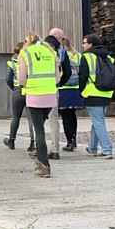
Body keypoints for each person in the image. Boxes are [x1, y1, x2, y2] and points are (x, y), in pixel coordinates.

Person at [18, 34, 61, 178]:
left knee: (39, 130)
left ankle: (44, 165)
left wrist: (27, 85)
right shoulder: (51, 52)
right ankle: (40, 160)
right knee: (41, 126)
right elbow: (57, 77)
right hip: (50, 94)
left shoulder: (25, 53)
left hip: (35, 95)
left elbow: (22, 79)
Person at [78, 34, 115, 159]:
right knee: (97, 121)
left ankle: (107, 149)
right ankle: (92, 148)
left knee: (98, 122)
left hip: (93, 92)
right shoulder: (107, 56)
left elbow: (82, 76)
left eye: (84, 43)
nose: (83, 45)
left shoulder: (87, 56)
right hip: (106, 92)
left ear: (91, 44)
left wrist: (81, 91)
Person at [3, 40, 35, 150]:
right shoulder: (30, 60)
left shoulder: (12, 62)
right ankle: (33, 143)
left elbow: (8, 79)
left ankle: (11, 141)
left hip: (18, 91)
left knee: (15, 117)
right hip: (30, 90)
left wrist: (14, 88)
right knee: (31, 118)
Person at [56, 35, 84, 153]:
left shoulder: (61, 55)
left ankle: (69, 142)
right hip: (76, 88)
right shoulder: (78, 55)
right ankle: (73, 139)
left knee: (66, 117)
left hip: (64, 88)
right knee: (72, 116)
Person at [42, 32, 67, 160]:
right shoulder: (57, 54)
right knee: (54, 121)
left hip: (38, 91)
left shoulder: (37, 53)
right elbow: (64, 73)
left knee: (38, 121)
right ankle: (55, 150)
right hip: (53, 90)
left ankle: (39, 148)